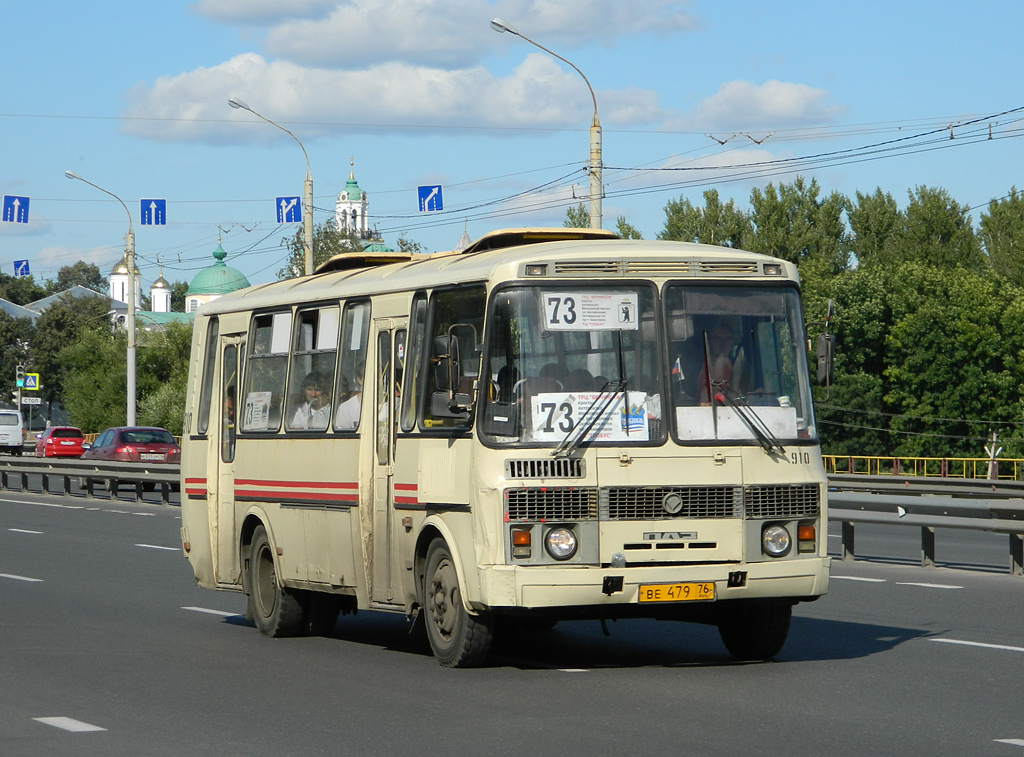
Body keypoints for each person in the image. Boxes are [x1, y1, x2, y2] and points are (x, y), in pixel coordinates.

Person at [698, 321, 746, 404]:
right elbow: (705, 402)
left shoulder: (738, 365)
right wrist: (718, 370)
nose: (723, 342)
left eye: (728, 338)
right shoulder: (701, 368)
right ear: (709, 341)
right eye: (717, 338)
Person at [334, 364, 363, 430]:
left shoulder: (389, 405)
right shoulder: (345, 409)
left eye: (381, 378)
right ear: (359, 380)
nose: (379, 383)